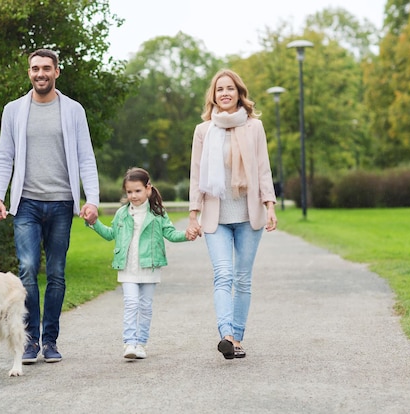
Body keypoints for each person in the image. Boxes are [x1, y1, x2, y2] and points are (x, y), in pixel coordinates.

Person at [0, 48, 99, 364]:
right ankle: (28, 341)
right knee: (26, 269)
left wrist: (91, 199)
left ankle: (49, 340)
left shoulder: (73, 110)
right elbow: (4, 156)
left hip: (62, 203)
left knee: (56, 272)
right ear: (29, 73)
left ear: (56, 72)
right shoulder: (13, 110)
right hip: (26, 204)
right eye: (35, 68)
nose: (41, 73)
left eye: (46, 68)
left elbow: (85, 157)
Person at [187, 69, 277, 360]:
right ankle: (226, 334)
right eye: (219, 89)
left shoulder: (254, 127)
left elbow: (263, 168)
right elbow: (196, 174)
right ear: (213, 96)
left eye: (230, 88)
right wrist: (192, 213)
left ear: (239, 93)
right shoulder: (203, 131)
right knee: (223, 275)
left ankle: (237, 339)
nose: (224, 93)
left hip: (249, 215)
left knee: (243, 279)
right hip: (216, 217)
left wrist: (270, 205)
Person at [88, 167, 197, 359]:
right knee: (131, 303)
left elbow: (170, 234)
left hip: (149, 266)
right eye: (129, 192)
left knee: (145, 306)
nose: (133, 195)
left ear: (148, 189)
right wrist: (94, 222)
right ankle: (129, 343)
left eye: (137, 191)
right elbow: (110, 234)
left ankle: (141, 344)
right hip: (128, 266)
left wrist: (187, 235)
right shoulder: (122, 214)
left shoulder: (157, 213)